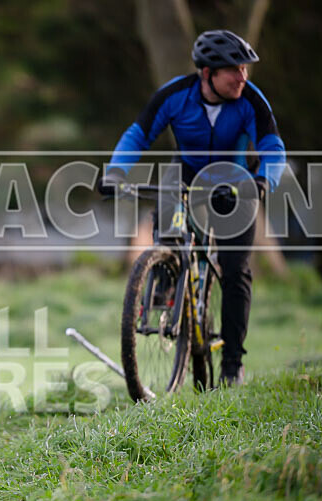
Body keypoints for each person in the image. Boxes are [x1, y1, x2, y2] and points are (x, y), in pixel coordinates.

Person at [98, 29, 286, 386]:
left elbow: (272, 147)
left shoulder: (251, 101)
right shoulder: (174, 95)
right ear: (207, 73)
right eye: (233, 70)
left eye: (244, 69)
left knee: (234, 270)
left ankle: (232, 363)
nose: (242, 77)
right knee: (167, 215)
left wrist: (264, 180)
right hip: (185, 173)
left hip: (235, 180)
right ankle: (167, 277)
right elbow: (138, 134)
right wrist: (116, 172)